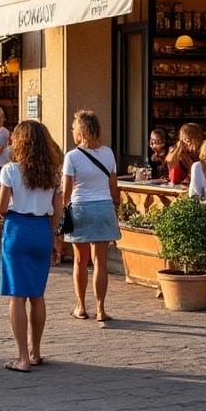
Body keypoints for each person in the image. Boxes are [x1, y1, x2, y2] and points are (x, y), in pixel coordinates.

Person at [0, 121, 64, 373]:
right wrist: (54, 237)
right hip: (42, 229)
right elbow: (58, 211)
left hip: (17, 228)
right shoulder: (53, 172)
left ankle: (22, 357)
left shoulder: (11, 170)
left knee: (17, 295)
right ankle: (35, 351)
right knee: (37, 295)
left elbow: (2, 207)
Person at [61, 110, 120, 323]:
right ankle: (101, 309)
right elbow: (114, 188)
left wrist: (61, 210)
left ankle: (81, 306)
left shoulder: (72, 156)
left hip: (81, 208)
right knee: (100, 262)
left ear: (80, 131)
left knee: (80, 261)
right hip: (104, 207)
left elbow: (66, 191)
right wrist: (116, 205)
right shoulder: (108, 153)